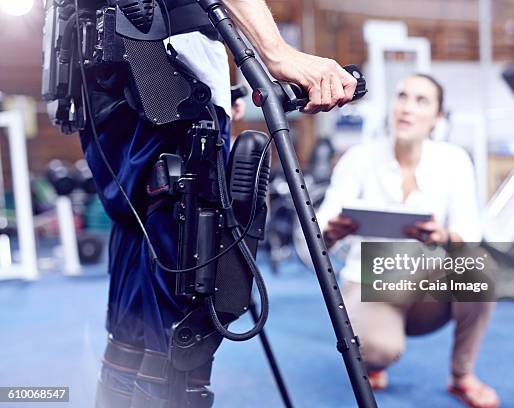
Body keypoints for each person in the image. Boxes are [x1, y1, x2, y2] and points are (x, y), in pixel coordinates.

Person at [82, 1, 357, 407]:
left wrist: (219, 90)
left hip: (109, 81)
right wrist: (277, 52)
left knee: (139, 297)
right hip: (163, 77)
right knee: (183, 299)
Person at [317, 74, 500, 408]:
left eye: (421, 101)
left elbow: (469, 234)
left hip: (429, 287)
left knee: (478, 269)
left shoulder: (454, 160)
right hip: (369, 280)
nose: (407, 108)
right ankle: (374, 360)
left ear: (438, 117)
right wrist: (331, 232)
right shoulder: (358, 158)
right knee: (377, 349)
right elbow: (314, 236)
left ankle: (462, 376)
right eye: (402, 96)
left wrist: (445, 237)